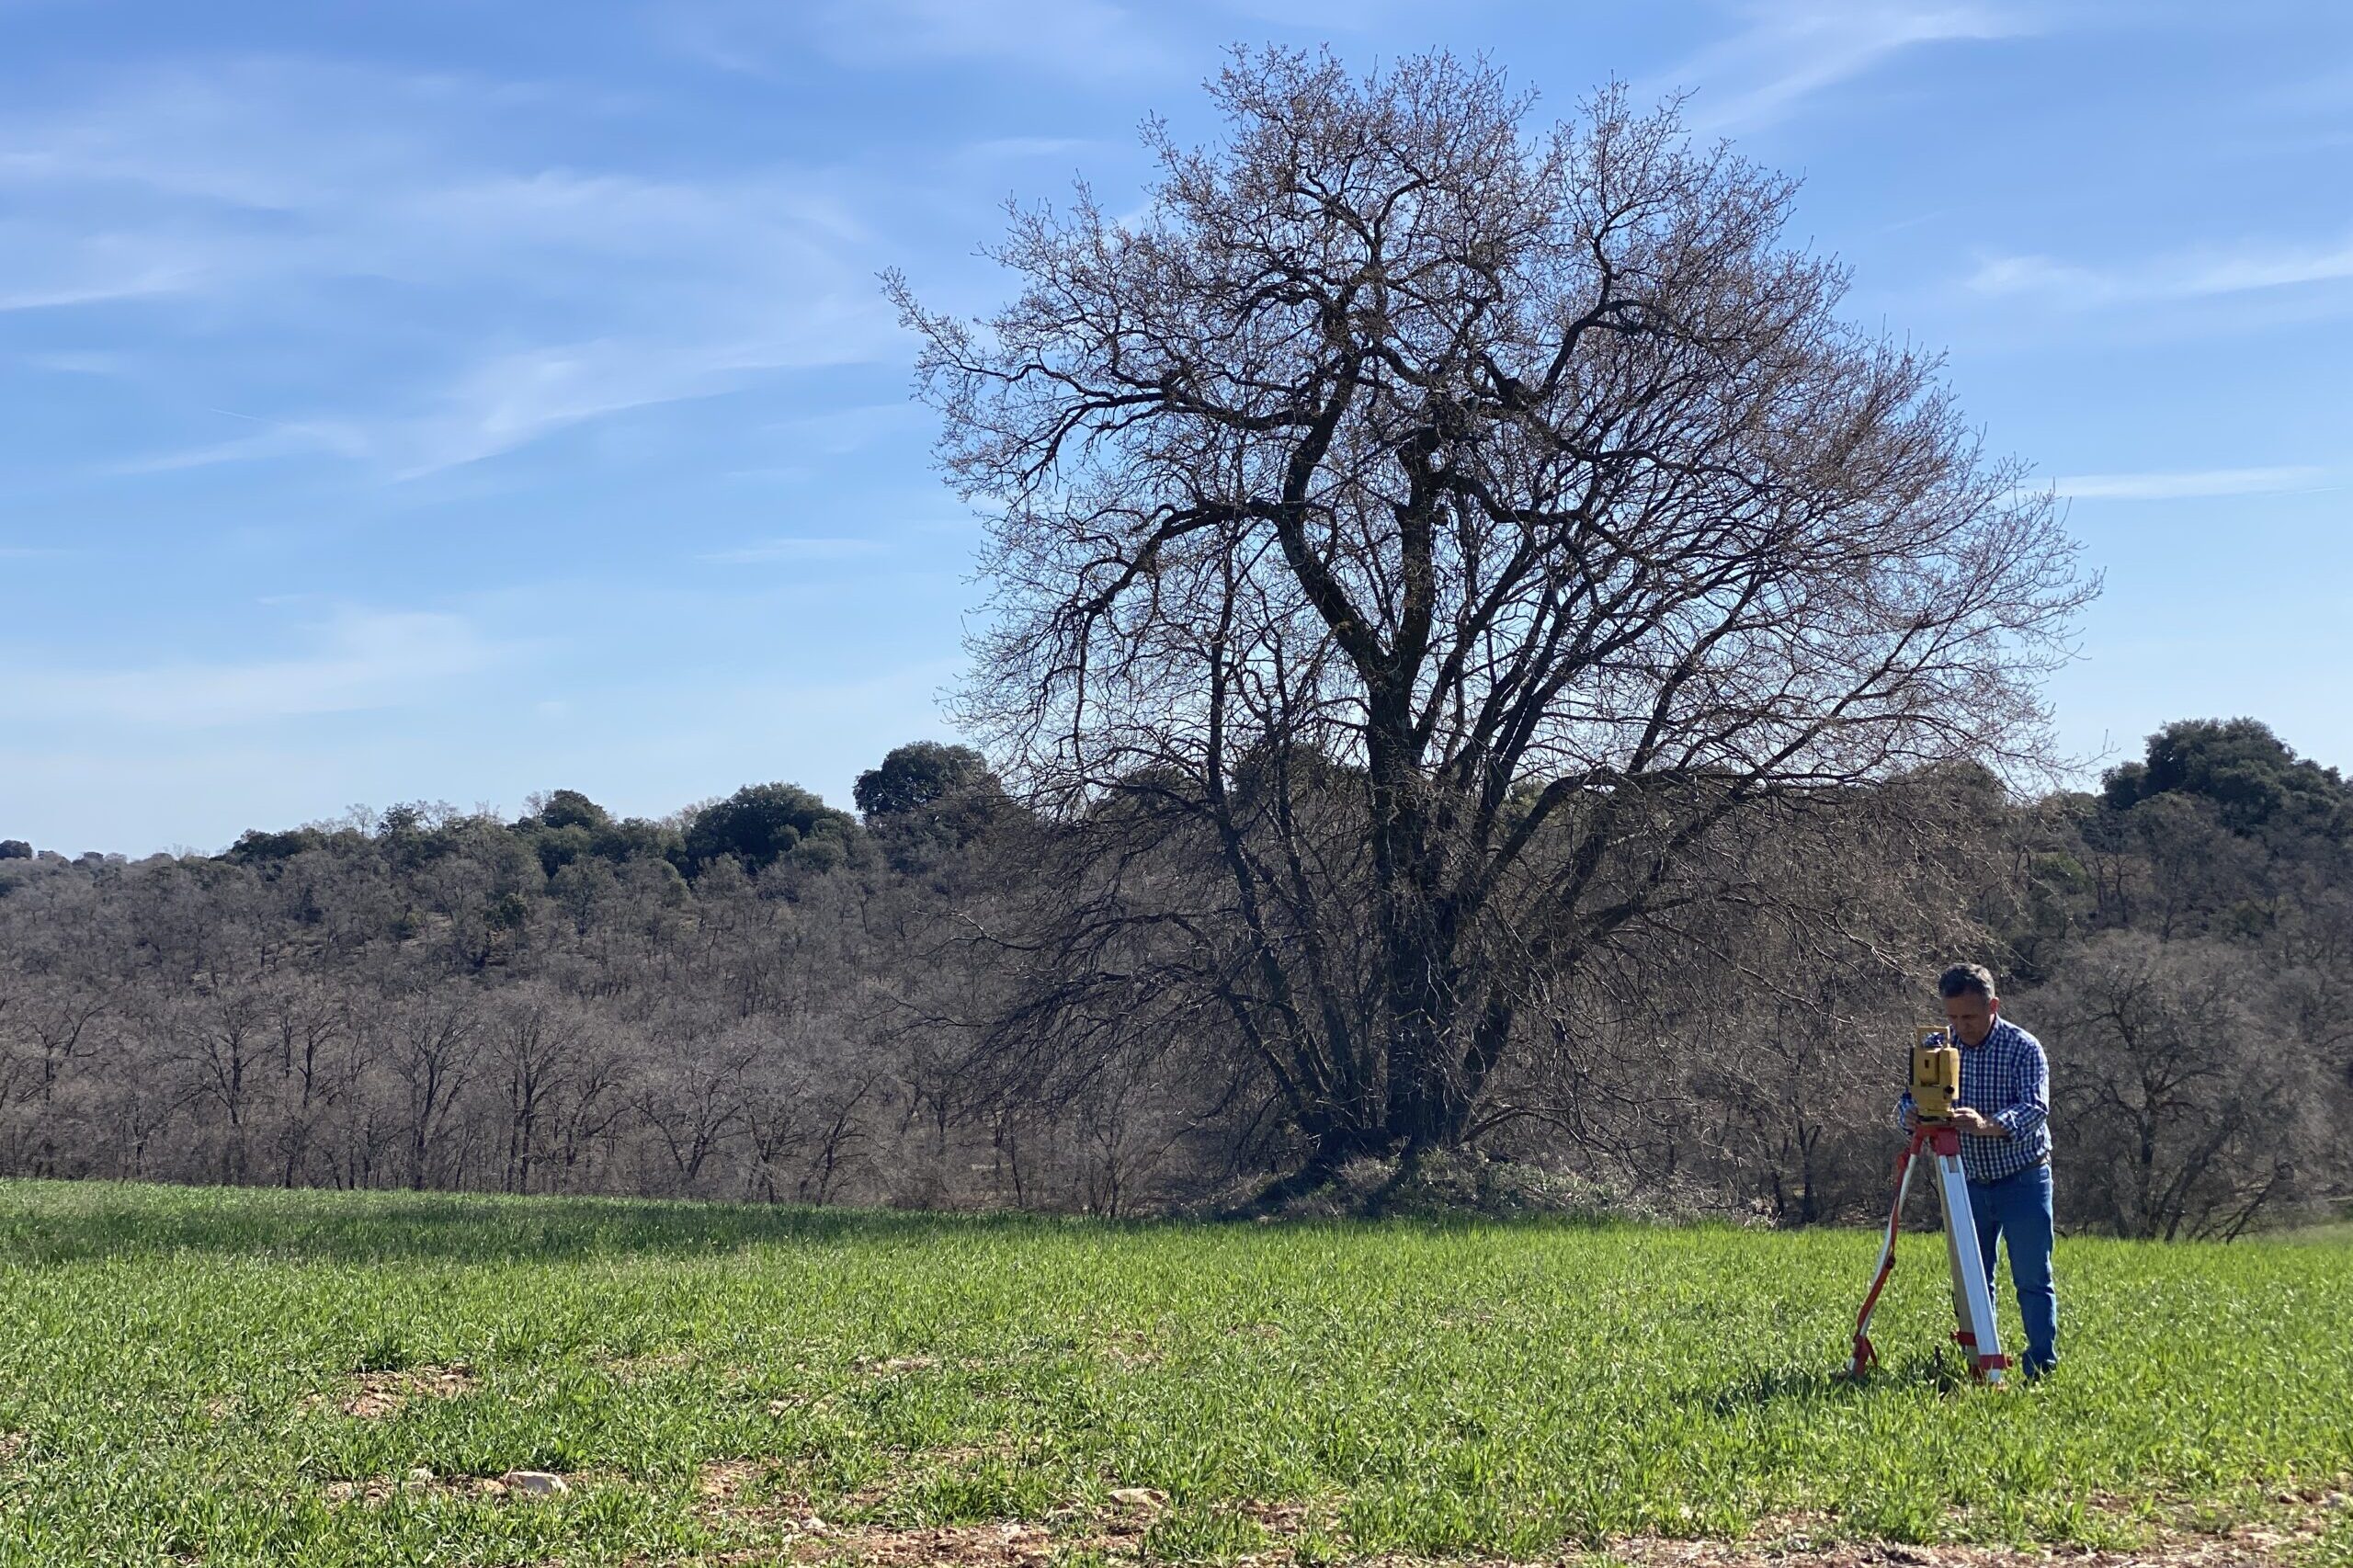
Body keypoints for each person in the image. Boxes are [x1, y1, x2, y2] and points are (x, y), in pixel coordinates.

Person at [1897, 962, 2059, 1380]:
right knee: (1973, 1279)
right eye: (1952, 1016)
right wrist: (1911, 1116)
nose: (1959, 1026)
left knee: (2032, 1279)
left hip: (2022, 1176)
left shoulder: (2023, 1048)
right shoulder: (1934, 1047)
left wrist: (1987, 1124)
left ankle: (2040, 1366)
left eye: (1969, 1016)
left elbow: (2035, 1108)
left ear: (1993, 1006)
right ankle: (1982, 1362)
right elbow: (1907, 1099)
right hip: (1965, 1179)